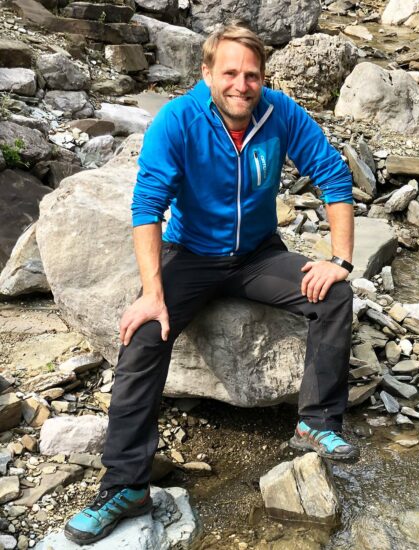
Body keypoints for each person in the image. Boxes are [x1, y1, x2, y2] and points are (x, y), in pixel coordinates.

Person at [64, 23, 358, 545]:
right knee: (144, 335)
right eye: (230, 73)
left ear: (263, 78)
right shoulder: (177, 120)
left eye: (252, 75)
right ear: (206, 73)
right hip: (192, 255)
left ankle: (316, 422)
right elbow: (147, 206)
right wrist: (153, 294)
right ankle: (126, 485)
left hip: (258, 255)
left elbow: (332, 175)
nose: (242, 85)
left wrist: (340, 259)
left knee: (333, 294)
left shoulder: (280, 113)